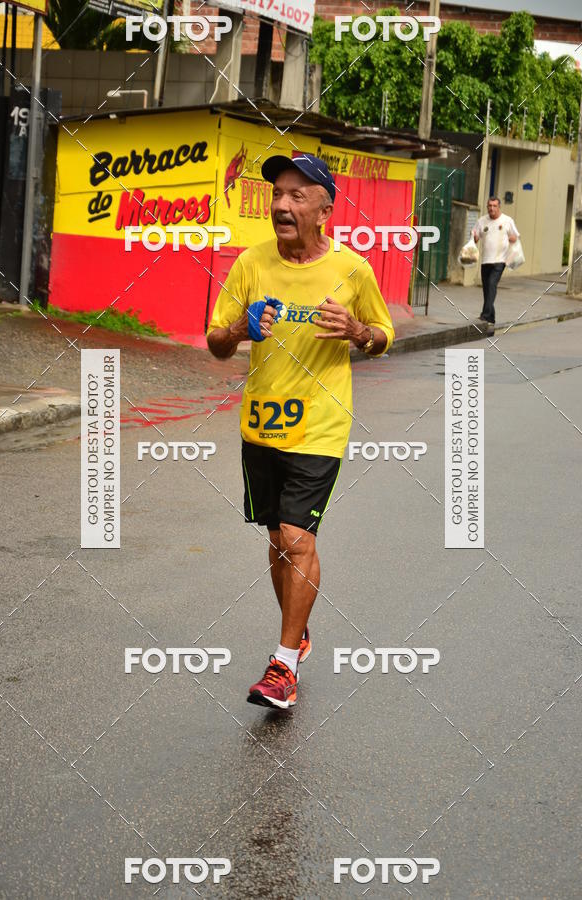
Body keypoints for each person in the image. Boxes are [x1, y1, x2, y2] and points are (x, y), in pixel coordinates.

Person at [206, 152, 395, 710]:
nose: (282, 206)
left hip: (320, 427)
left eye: (297, 196)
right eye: (277, 195)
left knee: (296, 537)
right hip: (261, 426)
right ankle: (299, 630)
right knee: (276, 539)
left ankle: (282, 665)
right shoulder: (251, 263)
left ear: (324, 210)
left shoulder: (353, 270)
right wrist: (243, 328)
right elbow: (215, 342)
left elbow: (385, 336)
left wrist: (358, 330)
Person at [472, 196, 519, 324]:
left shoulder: (507, 220)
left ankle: (485, 315)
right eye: (490, 206)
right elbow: (475, 238)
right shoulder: (482, 221)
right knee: (487, 288)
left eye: (494, 206)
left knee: (492, 284)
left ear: (499, 207)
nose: (492, 208)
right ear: (487, 207)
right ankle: (491, 317)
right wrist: (474, 236)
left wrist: (512, 239)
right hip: (486, 260)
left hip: (500, 260)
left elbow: (515, 236)